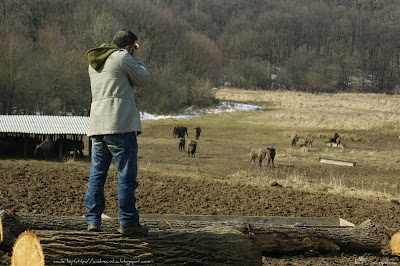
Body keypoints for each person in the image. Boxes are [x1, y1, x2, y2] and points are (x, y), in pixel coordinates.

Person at [84, 29, 150, 236]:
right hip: (119, 124)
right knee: (126, 176)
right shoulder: (123, 57)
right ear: (130, 46)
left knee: (97, 174)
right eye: (134, 48)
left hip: (98, 124)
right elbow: (144, 79)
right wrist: (135, 57)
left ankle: (93, 220)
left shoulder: (95, 61)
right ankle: (128, 222)